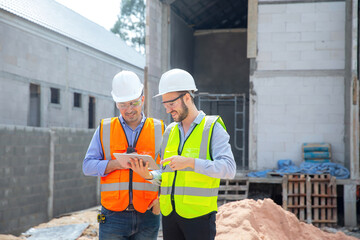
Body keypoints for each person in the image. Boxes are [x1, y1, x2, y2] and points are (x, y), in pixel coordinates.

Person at [130, 68, 236, 240]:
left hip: (199, 217)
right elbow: (169, 175)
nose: (168, 110)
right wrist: (149, 175)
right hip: (170, 216)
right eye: (165, 105)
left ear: (187, 97)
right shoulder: (170, 131)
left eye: (171, 104)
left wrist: (191, 162)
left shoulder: (212, 127)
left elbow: (229, 169)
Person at [83, 70, 165, 240]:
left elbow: (170, 171)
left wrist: (161, 200)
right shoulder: (105, 128)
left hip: (149, 213)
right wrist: (115, 164)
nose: (129, 109)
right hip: (113, 217)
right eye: (123, 104)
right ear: (116, 104)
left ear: (142, 99)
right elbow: (87, 166)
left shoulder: (160, 129)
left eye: (133, 103)